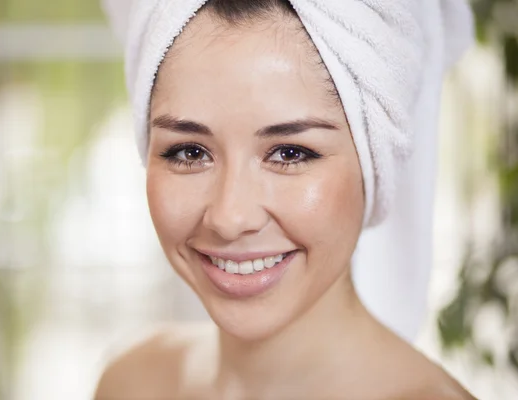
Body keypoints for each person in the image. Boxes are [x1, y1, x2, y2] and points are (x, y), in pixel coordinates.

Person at [96, 0, 477, 398]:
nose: (230, 217)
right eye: (190, 152)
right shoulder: (132, 382)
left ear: (373, 164)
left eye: (290, 153)